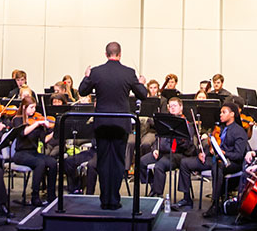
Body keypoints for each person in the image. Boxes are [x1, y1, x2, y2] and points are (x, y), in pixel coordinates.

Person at [78, 41, 148, 210]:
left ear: (106, 54)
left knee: (102, 161)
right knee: (117, 161)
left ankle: (104, 200)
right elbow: (143, 95)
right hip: (120, 123)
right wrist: (140, 82)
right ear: (120, 54)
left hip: (101, 123)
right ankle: (114, 200)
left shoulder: (96, 72)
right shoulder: (128, 72)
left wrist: (87, 76)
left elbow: (82, 91)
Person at [175, 101, 248, 215]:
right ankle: (186, 198)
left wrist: (224, 153)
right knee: (185, 163)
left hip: (231, 163)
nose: (221, 115)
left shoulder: (239, 131)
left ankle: (215, 204)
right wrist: (204, 153)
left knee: (217, 166)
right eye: (220, 112)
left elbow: (239, 155)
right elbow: (213, 146)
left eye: (224, 112)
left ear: (232, 114)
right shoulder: (220, 128)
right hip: (216, 159)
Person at [139, 96, 196, 197]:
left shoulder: (186, 124)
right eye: (170, 106)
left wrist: (178, 137)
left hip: (177, 155)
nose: (172, 108)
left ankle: (157, 194)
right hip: (162, 152)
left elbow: (188, 145)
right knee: (142, 162)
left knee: (159, 166)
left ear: (181, 107)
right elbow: (158, 137)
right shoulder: (164, 122)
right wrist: (155, 149)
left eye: (175, 106)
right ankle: (153, 184)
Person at [11, 94, 58, 207]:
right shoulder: (18, 120)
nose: (34, 110)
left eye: (35, 107)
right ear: (24, 108)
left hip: (33, 153)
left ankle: (51, 195)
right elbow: (23, 133)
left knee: (52, 162)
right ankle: (35, 196)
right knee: (40, 163)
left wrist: (54, 132)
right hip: (20, 154)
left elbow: (44, 140)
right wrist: (37, 124)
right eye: (31, 107)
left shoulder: (38, 120)